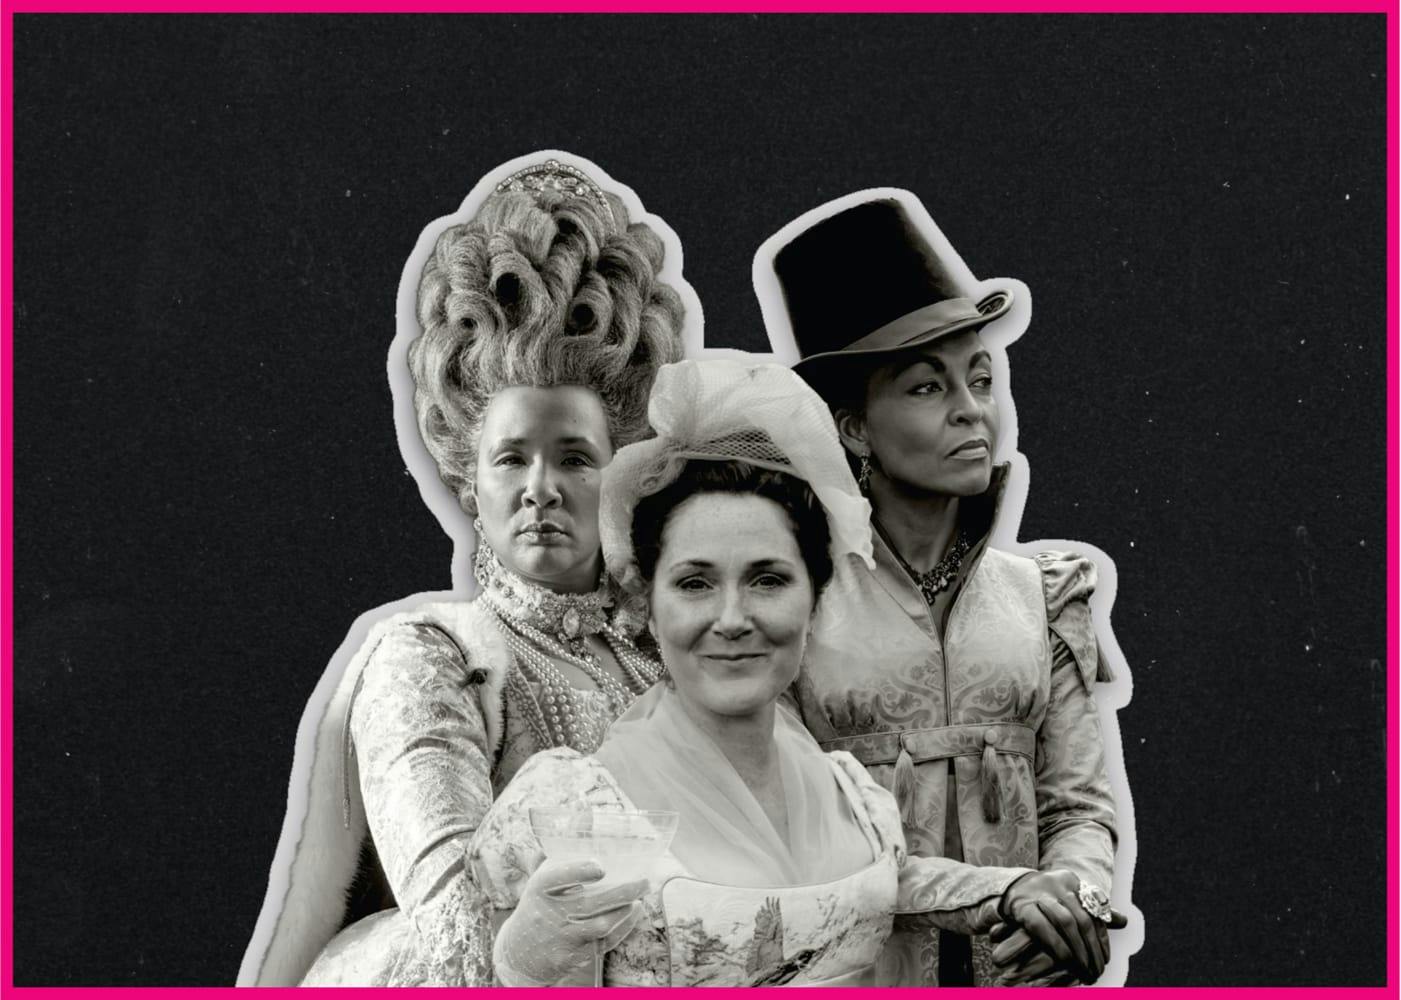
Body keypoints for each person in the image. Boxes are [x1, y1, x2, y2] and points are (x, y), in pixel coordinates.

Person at [466, 359, 1114, 987]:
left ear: (814, 599)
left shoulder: (851, 795)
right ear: (646, 607)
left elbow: (886, 884)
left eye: (767, 579)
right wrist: (525, 964)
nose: (731, 619)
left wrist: (1013, 889)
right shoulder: (567, 808)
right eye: (694, 583)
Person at [238, 157, 686, 986]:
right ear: (466, 474)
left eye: (575, 458)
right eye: (511, 458)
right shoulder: (431, 656)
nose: (541, 489)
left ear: (619, 468)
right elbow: (452, 925)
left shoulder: (676, 650)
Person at [765, 194, 1124, 986]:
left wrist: (1075, 903)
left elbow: (1079, 809)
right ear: (853, 426)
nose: (973, 412)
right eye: (927, 388)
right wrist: (1008, 895)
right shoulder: (784, 601)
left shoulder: (1042, 595)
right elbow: (802, 840)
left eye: (982, 378)